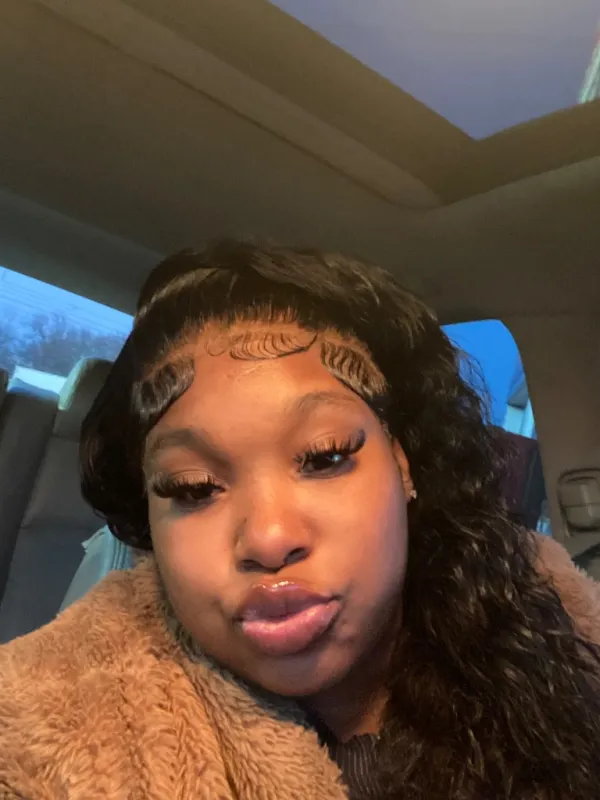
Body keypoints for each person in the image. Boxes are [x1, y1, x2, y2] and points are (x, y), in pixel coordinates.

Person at [1, 240, 599, 799]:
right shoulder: (53, 717)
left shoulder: (554, 624)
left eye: (325, 456)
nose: (269, 539)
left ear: (403, 464)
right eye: (194, 488)